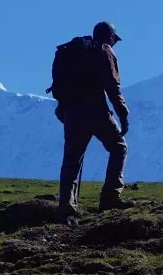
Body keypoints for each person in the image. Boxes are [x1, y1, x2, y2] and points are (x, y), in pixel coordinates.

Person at [49, 21, 134, 217]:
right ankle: (110, 198)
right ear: (110, 37)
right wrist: (123, 114)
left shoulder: (72, 52)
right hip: (95, 111)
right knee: (119, 147)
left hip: (71, 112)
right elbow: (113, 87)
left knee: (72, 160)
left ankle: (67, 208)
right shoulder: (104, 51)